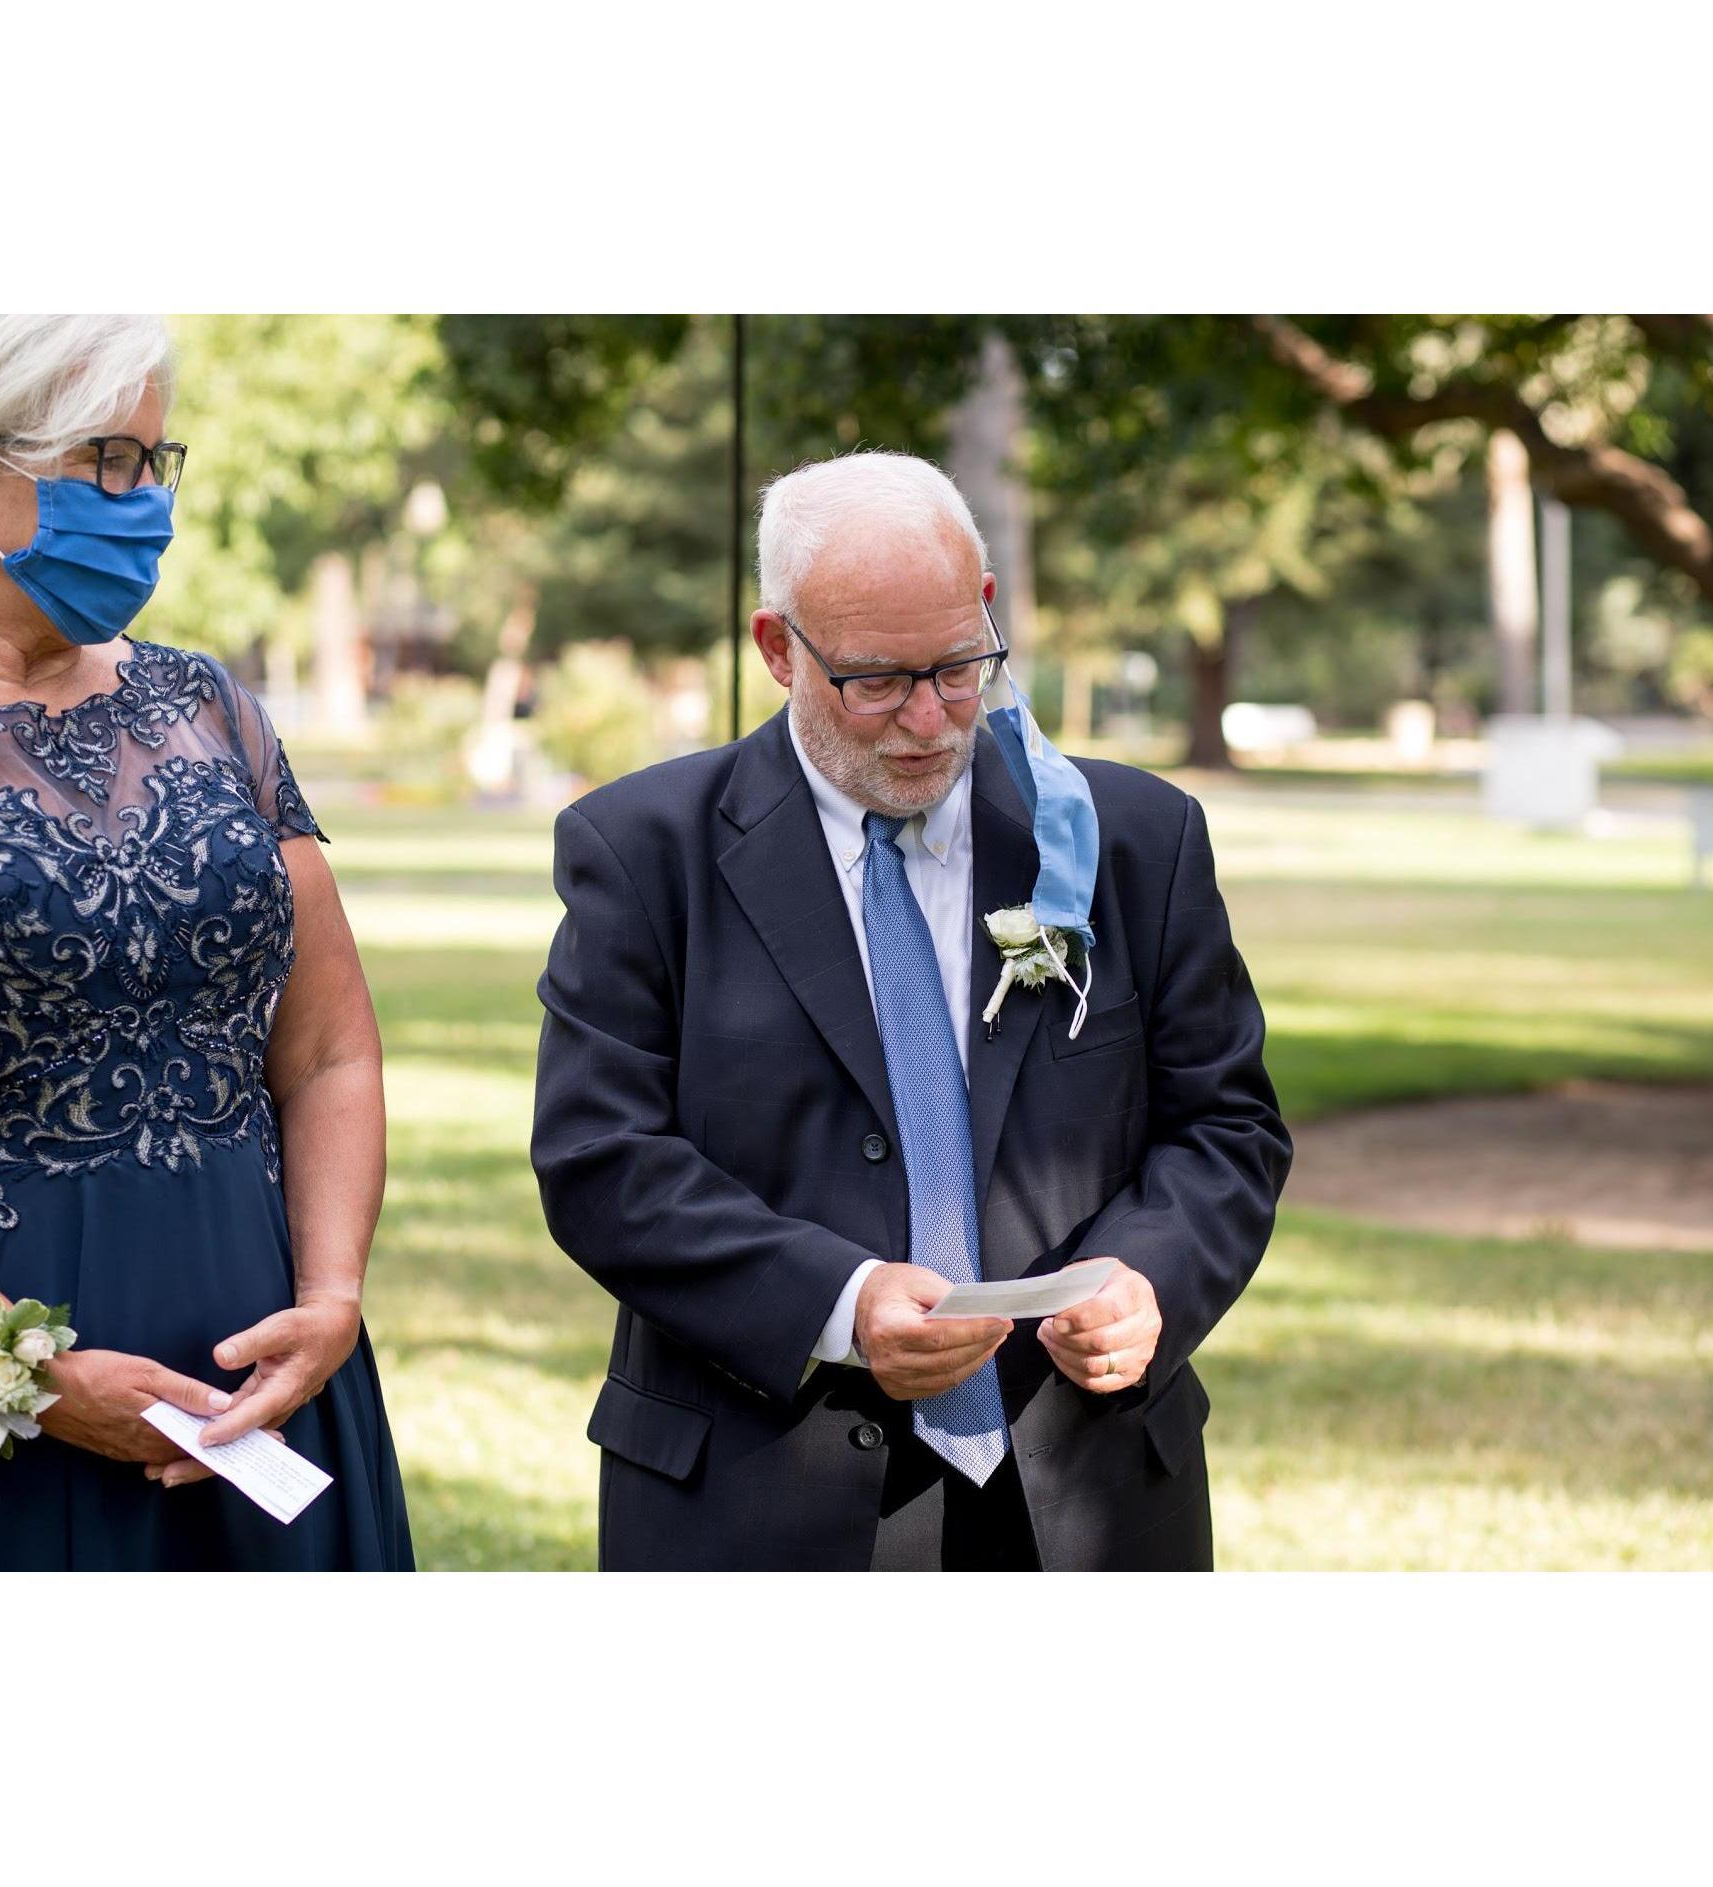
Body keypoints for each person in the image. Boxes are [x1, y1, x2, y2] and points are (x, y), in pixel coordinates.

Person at [532, 451, 1291, 1570]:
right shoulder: (642, 851)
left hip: (1084, 1491)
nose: (931, 720)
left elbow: (1228, 1125)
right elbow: (602, 1159)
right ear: (778, 648)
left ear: (986, 612)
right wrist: (835, 1303)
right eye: (879, 680)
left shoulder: (1128, 837)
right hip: (759, 1501)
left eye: (957, 667)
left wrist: (1151, 1277)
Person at [0, 314, 412, 1570]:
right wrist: (28, 1377)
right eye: (100, 464)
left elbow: (330, 1052)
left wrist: (332, 1298)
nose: (142, 506)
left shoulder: (211, 710)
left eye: (152, 462)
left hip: (266, 1364)